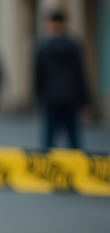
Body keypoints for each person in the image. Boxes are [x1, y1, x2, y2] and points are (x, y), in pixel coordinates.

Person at [33, 10, 90, 149]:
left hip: (50, 98)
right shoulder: (74, 45)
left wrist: (37, 97)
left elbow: (37, 75)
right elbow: (80, 74)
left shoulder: (43, 47)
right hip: (71, 97)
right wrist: (85, 100)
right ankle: (77, 167)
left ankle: (47, 168)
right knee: (74, 137)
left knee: (49, 139)